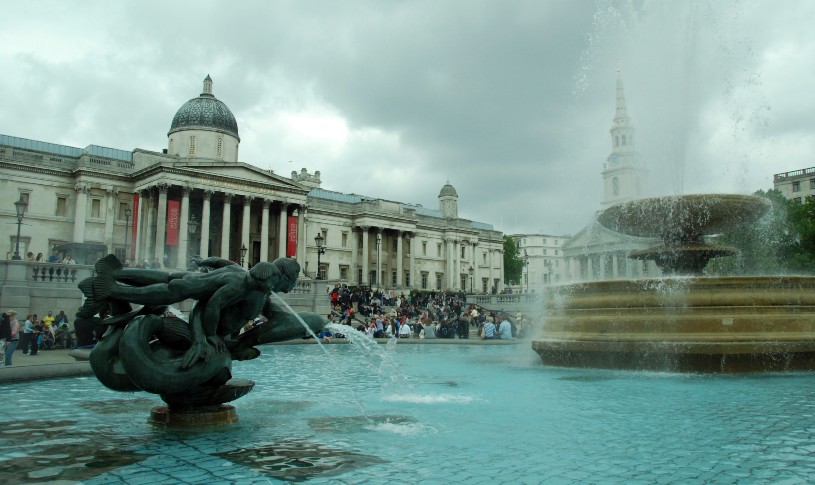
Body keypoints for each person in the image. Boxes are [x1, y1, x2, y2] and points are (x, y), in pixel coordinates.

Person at [78, 254, 300, 369]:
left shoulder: (241, 272)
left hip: (189, 279)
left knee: (164, 277)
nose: (272, 287)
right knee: (155, 293)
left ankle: (116, 272)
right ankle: (111, 289)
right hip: (186, 289)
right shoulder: (241, 288)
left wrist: (202, 262)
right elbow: (212, 305)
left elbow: (219, 261)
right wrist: (210, 336)